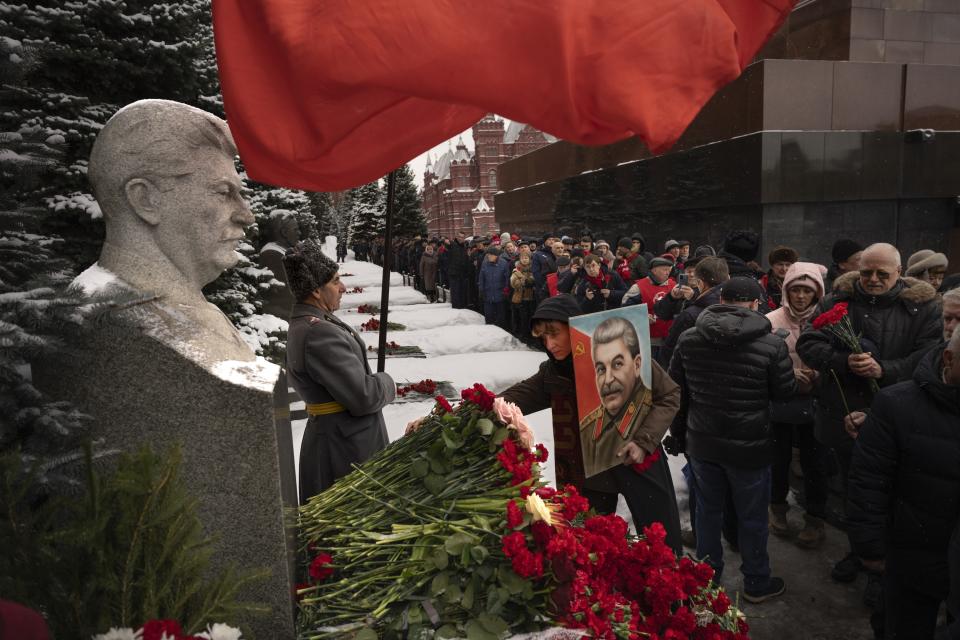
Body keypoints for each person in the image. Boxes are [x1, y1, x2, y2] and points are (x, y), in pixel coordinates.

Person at [797, 242, 942, 586]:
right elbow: (808, 343)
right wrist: (843, 361)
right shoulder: (837, 300)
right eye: (866, 272)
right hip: (843, 413)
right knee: (853, 490)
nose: (873, 280)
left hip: (897, 417)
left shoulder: (922, 308)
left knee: (894, 494)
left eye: (882, 274)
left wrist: (885, 369)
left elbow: (930, 356)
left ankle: (887, 563)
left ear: (900, 272)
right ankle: (858, 550)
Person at [501, 295, 683, 553]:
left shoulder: (619, 353)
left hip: (640, 460)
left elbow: (669, 395)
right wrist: (456, 411)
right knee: (591, 551)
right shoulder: (552, 373)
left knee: (662, 547)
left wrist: (644, 441)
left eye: (555, 334)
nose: (550, 344)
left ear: (573, 327)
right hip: (590, 474)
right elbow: (509, 401)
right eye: (543, 338)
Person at [669, 276, 797, 603]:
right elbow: (784, 394)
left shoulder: (689, 338)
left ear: (720, 298)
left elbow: (676, 394)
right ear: (756, 304)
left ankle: (707, 578)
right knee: (752, 515)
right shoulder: (772, 344)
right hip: (750, 445)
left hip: (703, 441)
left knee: (707, 512)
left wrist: (679, 435)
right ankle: (756, 580)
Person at [846, 330, 960, 640]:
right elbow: (869, 478)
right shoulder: (897, 403)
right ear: (949, 359)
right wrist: (870, 546)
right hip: (912, 557)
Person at [283, 241, 394, 502]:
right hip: (345, 450)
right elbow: (363, 397)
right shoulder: (318, 331)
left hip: (339, 441)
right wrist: (387, 382)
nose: (343, 288)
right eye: (334, 282)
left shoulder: (314, 322)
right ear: (316, 292)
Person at [765, 262, 830, 548]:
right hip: (781, 403)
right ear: (786, 291)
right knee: (777, 462)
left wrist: (819, 374)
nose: (801, 296)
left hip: (817, 403)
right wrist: (787, 374)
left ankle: (815, 519)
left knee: (815, 464)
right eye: (796, 290)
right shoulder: (770, 320)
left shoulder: (830, 320)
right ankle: (777, 509)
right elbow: (762, 361)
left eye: (807, 290)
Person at [658, 256, 730, 369]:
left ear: (700, 281)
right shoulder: (675, 289)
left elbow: (669, 353)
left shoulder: (691, 313)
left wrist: (693, 298)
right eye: (688, 271)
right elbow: (661, 313)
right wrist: (671, 297)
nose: (691, 275)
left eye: (694, 271)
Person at [622, 255, 676, 361]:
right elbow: (625, 310)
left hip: (669, 340)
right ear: (654, 270)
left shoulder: (673, 285)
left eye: (669, 270)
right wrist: (642, 317)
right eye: (664, 270)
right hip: (649, 341)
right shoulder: (638, 287)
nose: (668, 273)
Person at [478, 245, 510, 328]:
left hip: (500, 294)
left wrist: (506, 290)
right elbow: (481, 278)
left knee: (501, 317)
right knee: (489, 316)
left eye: (490, 255)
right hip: (488, 294)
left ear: (496, 256)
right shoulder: (485, 264)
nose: (488, 256)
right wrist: (481, 290)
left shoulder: (504, 263)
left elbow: (507, 278)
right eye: (488, 254)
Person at [761, 245, 799, 311]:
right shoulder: (763, 284)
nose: (784, 269)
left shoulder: (800, 283)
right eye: (780, 264)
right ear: (772, 265)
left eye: (788, 265)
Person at [510, 252, 536, 339]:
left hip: (531, 297)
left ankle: (529, 334)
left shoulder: (533, 269)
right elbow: (514, 283)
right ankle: (521, 334)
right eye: (523, 258)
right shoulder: (516, 270)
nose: (525, 259)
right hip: (519, 298)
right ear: (520, 259)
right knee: (520, 318)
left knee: (530, 317)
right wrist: (524, 280)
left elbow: (533, 281)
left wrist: (522, 279)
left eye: (526, 258)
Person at [447, 231, 471, 308]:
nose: (461, 238)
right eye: (459, 237)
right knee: (455, 292)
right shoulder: (452, 245)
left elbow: (466, 260)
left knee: (462, 292)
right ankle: (456, 308)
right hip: (454, 273)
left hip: (463, 273)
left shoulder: (465, 247)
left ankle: (463, 307)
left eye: (462, 237)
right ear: (456, 237)